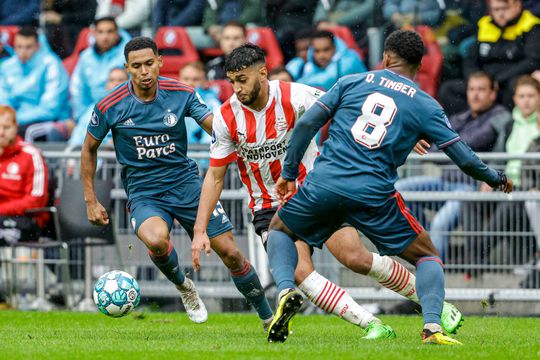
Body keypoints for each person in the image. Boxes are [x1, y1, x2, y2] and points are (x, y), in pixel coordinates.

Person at [191, 44, 464, 339]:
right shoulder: (225, 116)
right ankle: (372, 325)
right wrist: (199, 229)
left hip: (314, 192)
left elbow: (355, 111)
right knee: (299, 271)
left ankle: (435, 303)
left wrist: (401, 134)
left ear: (262, 72)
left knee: (355, 258)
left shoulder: (298, 95)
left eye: (242, 80)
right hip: (267, 204)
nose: (237, 89)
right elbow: (215, 177)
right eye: (232, 81)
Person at [264, 30, 512, 345]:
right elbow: (464, 159)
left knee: (280, 230)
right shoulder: (425, 104)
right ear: (420, 65)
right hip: (372, 194)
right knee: (426, 256)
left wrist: (288, 173)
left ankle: (286, 289)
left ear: (385, 57)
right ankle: (432, 327)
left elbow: (306, 125)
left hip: (326, 183)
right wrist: (496, 178)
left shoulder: (352, 82)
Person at [81, 37, 273, 328]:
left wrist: (249, 143)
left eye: (149, 63)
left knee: (231, 253)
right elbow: (88, 149)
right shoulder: (110, 104)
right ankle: (186, 288)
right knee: (157, 240)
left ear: (159, 61)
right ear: (126, 68)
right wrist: (91, 200)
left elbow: (214, 125)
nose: (144, 71)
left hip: (187, 185)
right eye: (136, 66)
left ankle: (268, 317)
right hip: (144, 191)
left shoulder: (181, 93)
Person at [396, 71, 512, 258]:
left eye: (481, 90)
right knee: (400, 190)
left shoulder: (501, 117)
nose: (475, 94)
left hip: (469, 188)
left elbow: (472, 141)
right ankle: (426, 239)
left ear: (493, 93)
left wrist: (449, 144)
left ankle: (436, 271)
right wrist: (451, 146)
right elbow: (434, 150)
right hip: (444, 182)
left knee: (441, 223)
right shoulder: (461, 117)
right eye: (472, 89)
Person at [438, 0, 540, 114]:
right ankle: (467, 123)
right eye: (496, 9)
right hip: (483, 81)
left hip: (507, 82)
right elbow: (470, 60)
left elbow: (532, 61)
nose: (500, 13)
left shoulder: (531, 25)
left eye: (505, 8)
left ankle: (502, 124)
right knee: (448, 89)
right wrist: (475, 79)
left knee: (515, 88)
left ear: (517, 5)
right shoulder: (485, 24)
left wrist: (498, 80)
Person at [0, 26, 71, 142]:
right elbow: (4, 101)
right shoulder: (7, 66)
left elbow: (50, 110)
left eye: (28, 47)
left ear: (38, 46)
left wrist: (14, 119)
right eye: (19, 47)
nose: (23, 52)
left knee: (23, 132)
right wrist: (8, 119)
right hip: (14, 120)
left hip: (50, 121)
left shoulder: (51, 64)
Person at [70, 17, 131, 130]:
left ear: (117, 33)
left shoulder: (130, 55)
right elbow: (78, 90)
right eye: (100, 32)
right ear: (94, 34)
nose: (105, 37)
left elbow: (136, 90)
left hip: (122, 114)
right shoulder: (85, 57)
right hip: (90, 113)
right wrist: (81, 116)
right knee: (79, 140)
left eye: (109, 31)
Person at [0, 105, 48, 245]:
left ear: (16, 127)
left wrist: (2, 209)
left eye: (6, 127)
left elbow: (36, 200)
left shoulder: (30, 155)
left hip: (25, 220)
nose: (1, 132)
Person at [69, 67, 128, 147]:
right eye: (112, 80)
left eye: (120, 80)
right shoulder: (93, 109)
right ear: (106, 85)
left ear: (129, 84)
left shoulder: (134, 108)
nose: (116, 84)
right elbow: (77, 138)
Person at [289, 30, 367, 91]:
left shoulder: (350, 60)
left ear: (335, 47)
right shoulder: (308, 65)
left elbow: (324, 82)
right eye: (317, 51)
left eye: (326, 50)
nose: (321, 55)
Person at [179, 61, 221, 145]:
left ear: (205, 82)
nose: (190, 83)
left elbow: (211, 141)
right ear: (179, 80)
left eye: (196, 79)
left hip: (203, 155)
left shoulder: (214, 105)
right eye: (186, 79)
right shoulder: (171, 103)